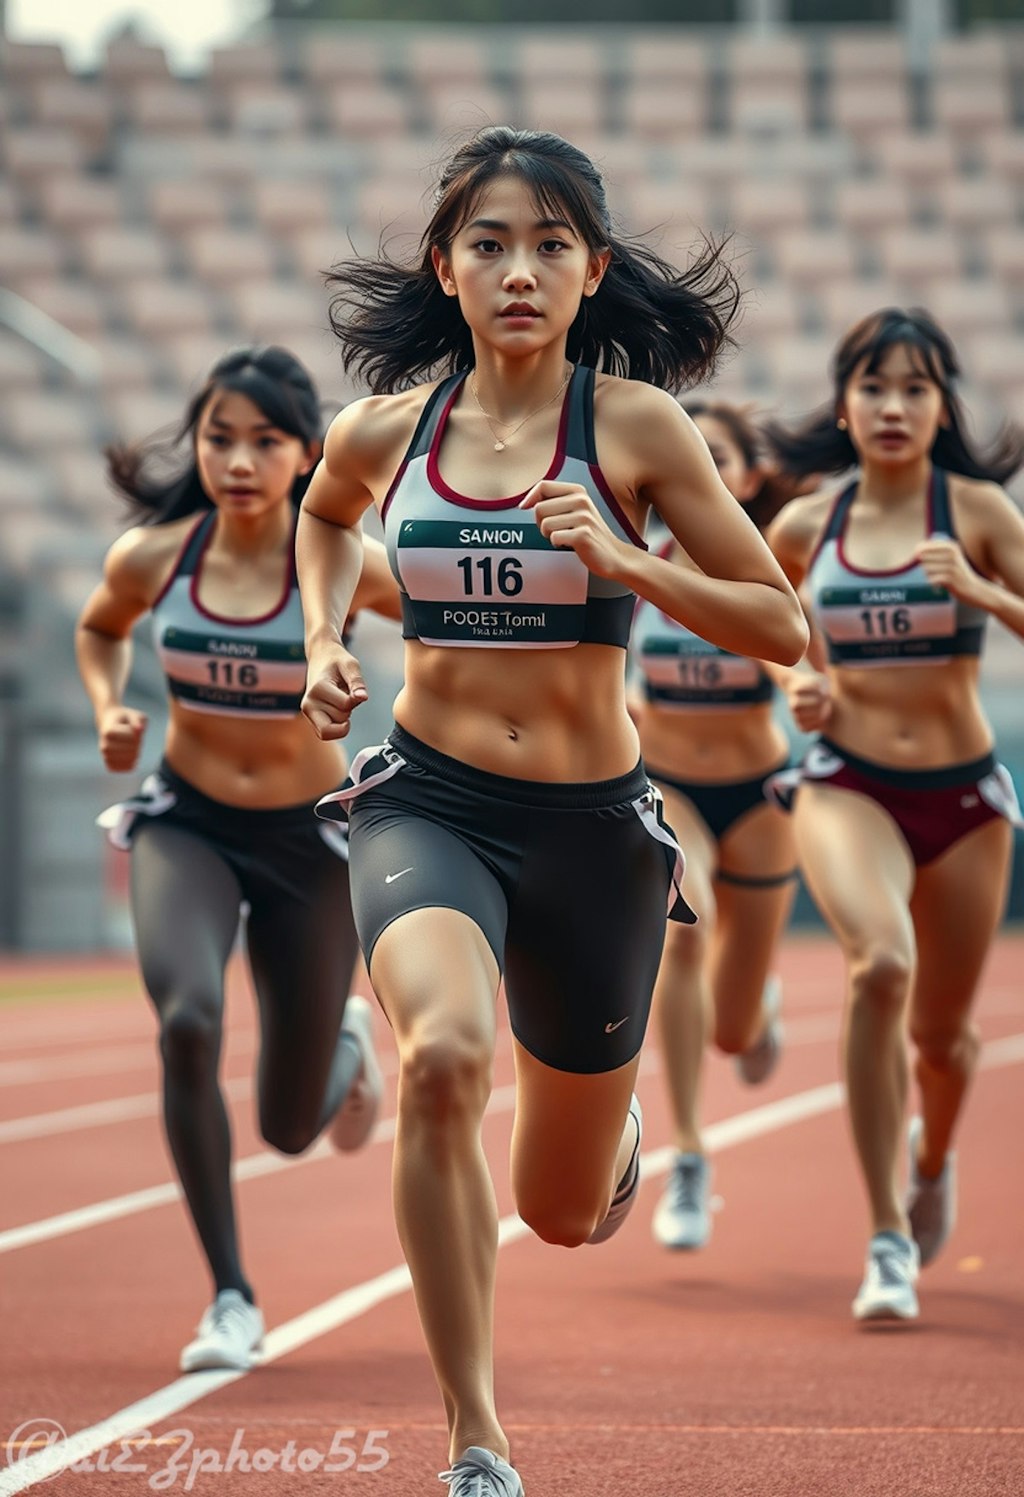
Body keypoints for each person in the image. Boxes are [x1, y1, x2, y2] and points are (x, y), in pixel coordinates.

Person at [296, 126, 807, 1495]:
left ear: (590, 272)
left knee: (561, 1211)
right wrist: (321, 633)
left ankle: (619, 1134)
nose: (518, 270)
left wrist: (628, 556)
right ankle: (476, 1437)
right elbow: (329, 513)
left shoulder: (636, 429)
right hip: (431, 802)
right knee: (445, 1061)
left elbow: (777, 620)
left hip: (593, 830)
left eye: (549, 246)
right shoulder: (384, 431)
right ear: (444, 268)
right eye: (489, 244)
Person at [75, 345, 400, 1373]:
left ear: (309, 453)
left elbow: (458, 630)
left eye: (265, 441)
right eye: (220, 438)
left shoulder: (344, 562)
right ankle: (230, 1296)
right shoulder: (156, 557)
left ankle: (343, 1050)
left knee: (293, 1127)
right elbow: (99, 628)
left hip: (311, 842)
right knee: (186, 1022)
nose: (239, 460)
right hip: (191, 824)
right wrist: (110, 708)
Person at [764, 307, 1024, 1324]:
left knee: (944, 1040)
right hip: (847, 783)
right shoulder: (805, 524)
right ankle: (883, 1238)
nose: (892, 407)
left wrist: (986, 595)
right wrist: (794, 677)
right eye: (874, 387)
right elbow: (762, 621)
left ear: (940, 406)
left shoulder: (975, 515)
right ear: (844, 403)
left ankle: (931, 1158)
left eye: (915, 389)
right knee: (878, 965)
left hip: (961, 799)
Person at [632, 402, 801, 1253]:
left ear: (748, 476)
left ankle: (755, 1005)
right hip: (673, 787)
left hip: (761, 793)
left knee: (733, 1026)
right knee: (683, 932)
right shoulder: (638, 563)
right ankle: (689, 1152)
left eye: (721, 454)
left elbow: (818, 653)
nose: (702, 468)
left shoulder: (774, 566)